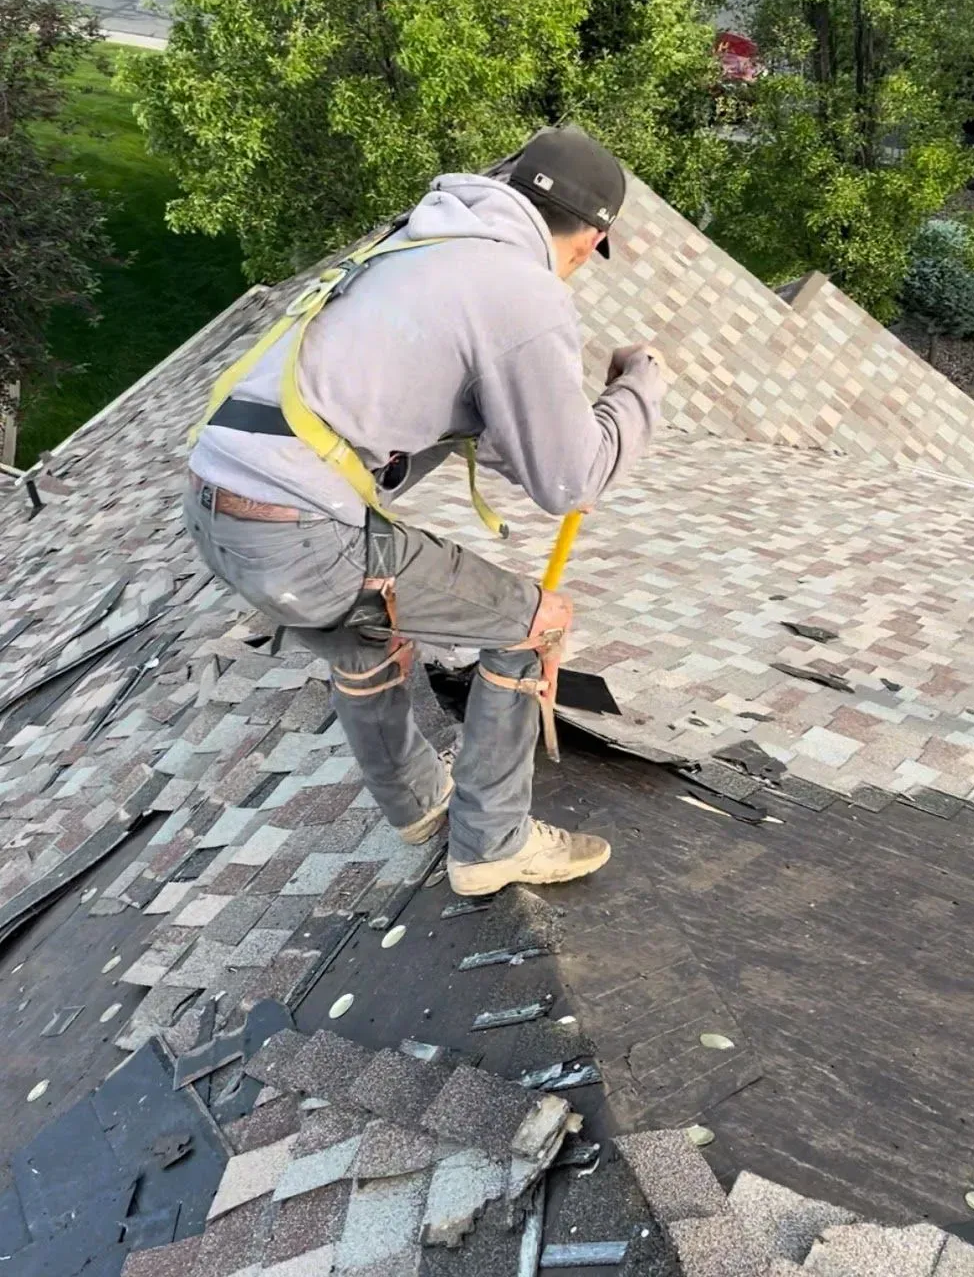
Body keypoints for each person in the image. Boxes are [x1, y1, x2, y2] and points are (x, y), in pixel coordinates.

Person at [183, 126, 666, 895]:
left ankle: (416, 804)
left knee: (364, 634)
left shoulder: (415, 239)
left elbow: (504, 439)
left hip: (216, 514)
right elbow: (571, 481)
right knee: (532, 621)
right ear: (590, 238)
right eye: (586, 255)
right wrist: (639, 387)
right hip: (302, 535)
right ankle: (492, 843)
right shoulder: (522, 291)